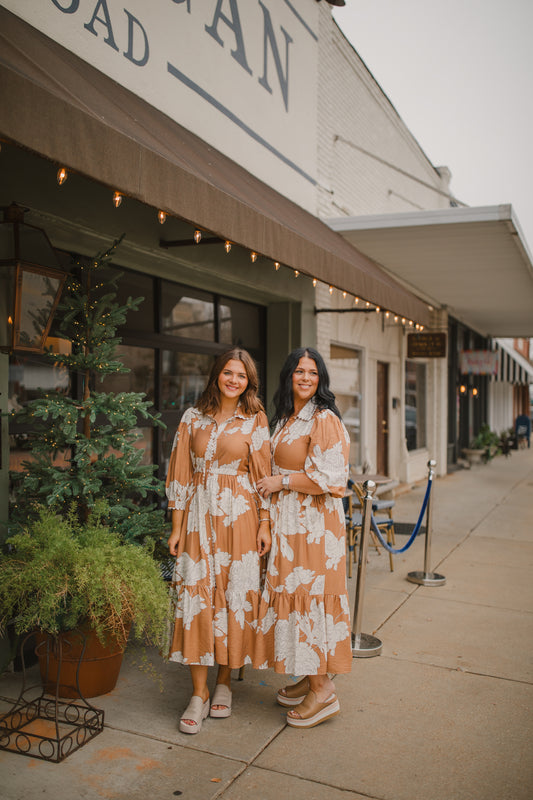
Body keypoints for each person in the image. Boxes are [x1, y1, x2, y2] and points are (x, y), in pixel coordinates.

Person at [166, 347, 271, 734]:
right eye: (228, 372)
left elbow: (263, 475)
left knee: (233, 598)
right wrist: (176, 529)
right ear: (217, 376)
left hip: (240, 520)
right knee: (196, 599)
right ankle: (199, 693)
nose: (234, 380)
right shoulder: (192, 418)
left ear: (249, 382)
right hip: (197, 518)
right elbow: (179, 474)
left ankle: (224, 682)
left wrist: (264, 524)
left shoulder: (255, 419)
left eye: (241, 375)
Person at [256, 347, 351, 729]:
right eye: (299, 371)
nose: (306, 377)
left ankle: (323, 689)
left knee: (308, 601)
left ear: (321, 378)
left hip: (313, 527)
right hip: (289, 524)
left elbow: (332, 480)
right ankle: (310, 674)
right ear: (289, 377)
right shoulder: (286, 418)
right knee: (296, 601)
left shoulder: (323, 419)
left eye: (313, 372)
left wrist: (281, 481)